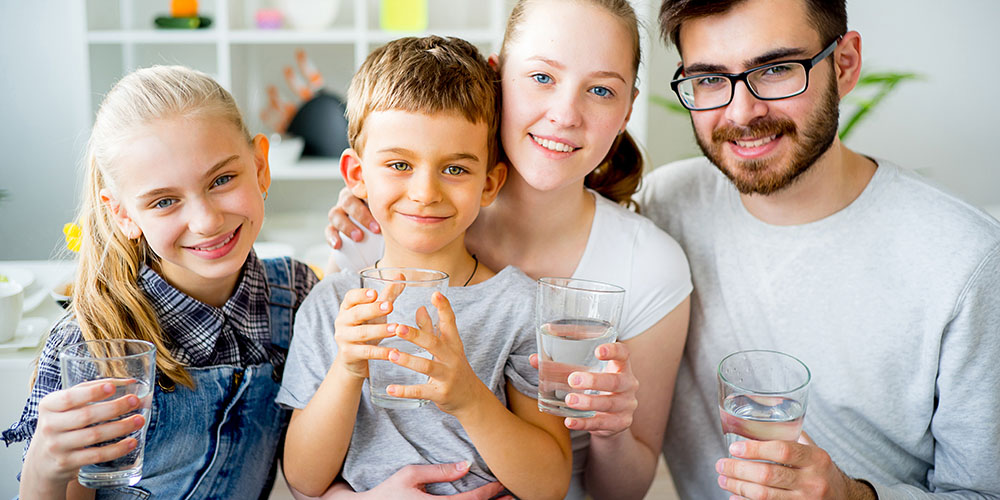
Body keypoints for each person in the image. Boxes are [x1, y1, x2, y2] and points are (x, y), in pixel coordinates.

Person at [323, 0, 693, 498]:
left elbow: (620, 493)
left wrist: (611, 429)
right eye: (542, 77)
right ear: (497, 79)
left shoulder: (650, 267)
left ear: (626, 111)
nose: (565, 114)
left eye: (601, 90)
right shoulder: (379, 230)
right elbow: (316, 459)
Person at [645, 0, 1000, 498]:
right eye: (708, 79)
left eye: (775, 70)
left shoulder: (968, 260)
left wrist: (850, 496)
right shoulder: (667, 205)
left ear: (845, 64)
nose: (742, 112)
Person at [2, 65, 319, 499]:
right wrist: (45, 467)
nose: (206, 221)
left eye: (222, 180)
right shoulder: (89, 344)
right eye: (165, 201)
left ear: (260, 167)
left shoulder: (297, 295)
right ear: (123, 215)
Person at [277, 35, 572, 499]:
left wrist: (470, 398)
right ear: (357, 175)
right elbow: (304, 479)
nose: (425, 192)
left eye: (455, 169)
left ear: (490, 183)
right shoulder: (331, 304)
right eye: (399, 164)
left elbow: (550, 484)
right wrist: (349, 368)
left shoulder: (521, 307)